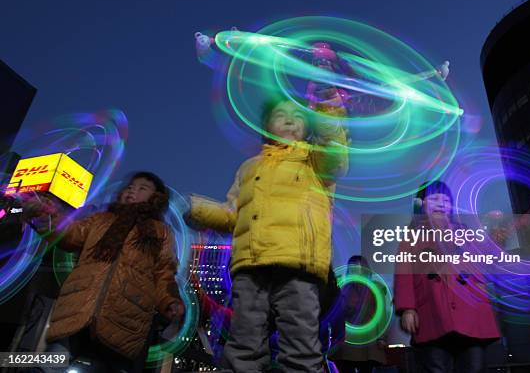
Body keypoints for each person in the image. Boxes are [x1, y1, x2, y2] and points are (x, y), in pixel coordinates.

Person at [185, 86, 349, 372]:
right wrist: (196, 209)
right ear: (266, 126)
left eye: (297, 116)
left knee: (299, 341)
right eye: (279, 115)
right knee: (244, 341)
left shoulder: (314, 158)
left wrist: (327, 111)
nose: (288, 120)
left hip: (298, 263)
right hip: (252, 265)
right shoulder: (249, 167)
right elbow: (232, 214)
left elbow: (336, 156)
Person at [24, 172, 184, 372]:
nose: (132, 190)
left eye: (142, 188)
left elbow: (164, 272)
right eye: (130, 187)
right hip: (78, 309)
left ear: (156, 198)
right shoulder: (100, 220)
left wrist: (169, 300)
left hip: (125, 319)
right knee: (49, 366)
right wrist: (46, 216)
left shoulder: (161, 232)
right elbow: (71, 233)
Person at [394, 181, 500, 373]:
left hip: (470, 312)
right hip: (431, 312)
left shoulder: (464, 232)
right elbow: (404, 273)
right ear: (421, 204)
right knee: (436, 367)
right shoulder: (411, 236)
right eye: (434, 199)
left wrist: (494, 228)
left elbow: (482, 260)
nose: (442, 204)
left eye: (446, 200)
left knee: (473, 367)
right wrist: (407, 309)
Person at [329, 255, 387, 373]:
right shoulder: (343, 287)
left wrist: (381, 338)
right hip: (347, 342)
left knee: (366, 368)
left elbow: (381, 315)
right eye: (351, 267)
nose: (354, 270)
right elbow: (337, 314)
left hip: (368, 342)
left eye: (357, 267)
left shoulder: (375, 288)